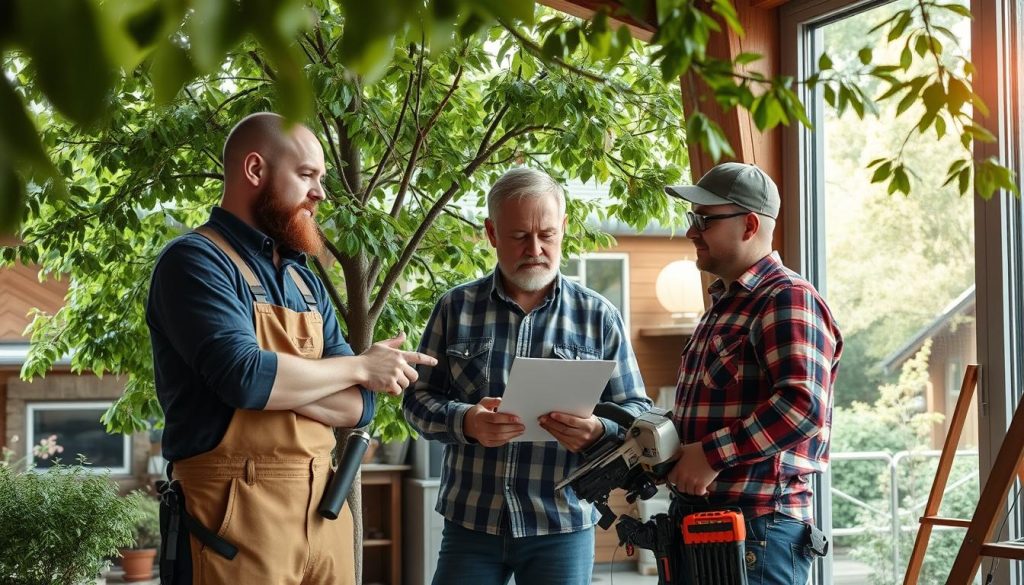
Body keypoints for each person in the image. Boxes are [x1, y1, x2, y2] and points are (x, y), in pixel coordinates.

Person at [146, 112, 437, 585]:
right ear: (256, 171)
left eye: (320, 179)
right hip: (232, 517)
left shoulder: (304, 280)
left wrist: (285, 384)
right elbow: (244, 377)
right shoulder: (195, 261)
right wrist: (358, 366)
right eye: (306, 176)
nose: (320, 193)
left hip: (324, 514)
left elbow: (358, 407)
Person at [402, 167, 652, 584]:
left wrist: (598, 432)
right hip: (471, 522)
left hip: (562, 524)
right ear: (492, 233)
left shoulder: (599, 316)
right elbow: (415, 401)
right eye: (519, 236)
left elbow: (637, 412)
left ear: (564, 229)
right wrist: (466, 421)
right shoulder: (455, 308)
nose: (535, 248)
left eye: (547, 235)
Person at [663, 162, 843, 585]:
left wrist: (710, 455)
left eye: (704, 220)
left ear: (748, 224)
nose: (692, 231)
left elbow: (802, 407)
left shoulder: (787, 298)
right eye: (693, 219)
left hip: (759, 532)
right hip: (710, 528)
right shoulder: (724, 306)